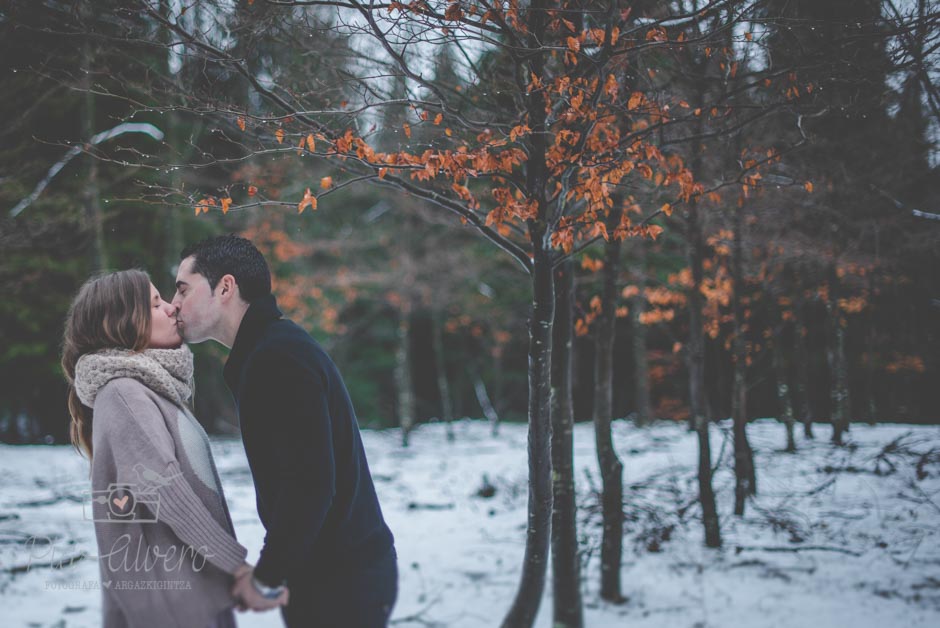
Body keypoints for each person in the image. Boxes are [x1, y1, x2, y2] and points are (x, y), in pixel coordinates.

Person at [172, 235, 398, 627]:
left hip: (342, 583)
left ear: (225, 287)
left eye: (182, 289)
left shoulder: (277, 356)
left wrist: (267, 577)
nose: (174, 304)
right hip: (328, 575)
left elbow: (309, 484)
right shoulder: (270, 349)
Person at [61, 269, 287, 628]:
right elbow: (164, 488)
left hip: (191, 596)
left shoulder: (149, 390)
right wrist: (235, 563)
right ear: (122, 323)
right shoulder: (123, 392)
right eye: (155, 303)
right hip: (169, 607)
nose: (171, 309)